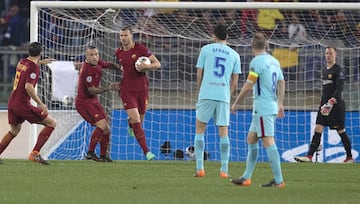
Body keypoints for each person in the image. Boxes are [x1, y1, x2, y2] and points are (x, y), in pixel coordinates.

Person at [230, 32, 286, 187]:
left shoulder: (257, 62)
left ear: (252, 46)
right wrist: (280, 103)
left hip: (263, 108)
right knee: (251, 139)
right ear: (266, 45)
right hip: (270, 106)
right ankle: (246, 177)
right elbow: (282, 82)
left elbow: (248, 85)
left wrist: (236, 103)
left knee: (268, 140)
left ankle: (279, 180)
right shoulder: (274, 61)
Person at [193, 24, 241, 178]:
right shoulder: (234, 54)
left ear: (214, 35)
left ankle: (200, 169)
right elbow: (235, 82)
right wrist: (229, 95)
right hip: (223, 96)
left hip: (206, 94)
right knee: (223, 133)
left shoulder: (206, 49)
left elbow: (199, 75)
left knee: (200, 130)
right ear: (226, 36)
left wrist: (200, 91)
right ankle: (224, 171)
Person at [294, 45, 354, 163]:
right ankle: (309, 156)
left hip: (336, 107)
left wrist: (331, 101)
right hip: (324, 106)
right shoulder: (324, 70)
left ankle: (349, 157)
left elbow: (339, 89)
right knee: (318, 128)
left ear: (335, 55)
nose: (328, 56)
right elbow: (325, 90)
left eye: (330, 53)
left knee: (341, 131)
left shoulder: (339, 70)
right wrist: (322, 102)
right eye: (326, 53)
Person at [0, 42, 56, 165]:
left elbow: (28, 67)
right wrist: (41, 103)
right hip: (22, 104)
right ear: (40, 53)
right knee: (51, 123)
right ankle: (35, 153)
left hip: (12, 101)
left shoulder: (22, 61)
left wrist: (41, 62)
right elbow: (28, 87)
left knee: (14, 130)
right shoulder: (34, 68)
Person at [115, 26, 161, 161]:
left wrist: (147, 67)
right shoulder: (118, 52)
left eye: (125, 35)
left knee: (138, 122)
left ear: (131, 36)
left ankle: (130, 124)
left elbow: (157, 63)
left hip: (142, 90)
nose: (123, 38)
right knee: (136, 119)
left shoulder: (140, 49)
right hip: (127, 90)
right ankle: (147, 152)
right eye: (121, 36)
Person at [75, 46, 120, 162]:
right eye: (91, 55)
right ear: (86, 57)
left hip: (93, 101)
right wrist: (108, 87)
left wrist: (120, 67)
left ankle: (103, 156)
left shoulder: (97, 62)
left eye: (96, 54)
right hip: (84, 103)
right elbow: (92, 90)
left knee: (107, 129)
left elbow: (107, 64)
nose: (95, 57)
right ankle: (90, 153)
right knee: (101, 125)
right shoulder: (86, 70)